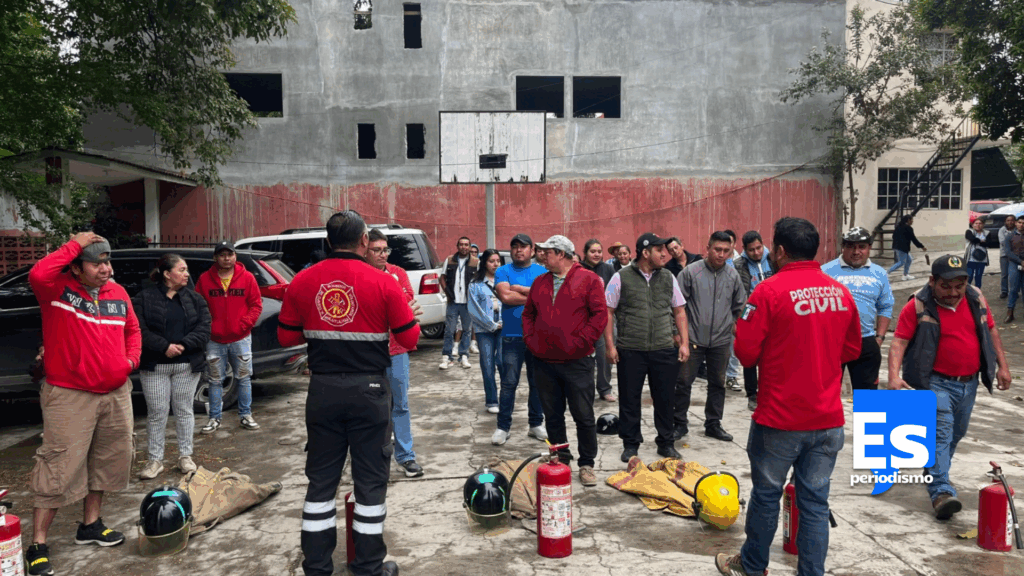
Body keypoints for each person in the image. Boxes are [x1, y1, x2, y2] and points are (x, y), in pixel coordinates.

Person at [715, 217, 861, 576]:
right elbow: (852, 348)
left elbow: (746, 355)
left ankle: (752, 567)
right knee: (814, 503)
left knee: (766, 497)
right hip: (827, 420)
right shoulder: (839, 292)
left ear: (778, 251)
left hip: (779, 420)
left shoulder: (768, 292)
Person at [278, 210, 418, 576]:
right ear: (363, 243)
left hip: (322, 390)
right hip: (370, 391)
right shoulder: (383, 282)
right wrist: (408, 317)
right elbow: (410, 338)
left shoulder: (303, 281)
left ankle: (317, 568)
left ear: (327, 242)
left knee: (321, 482)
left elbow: (286, 338)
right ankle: (369, 567)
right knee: (370, 483)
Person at [25, 232, 141, 576]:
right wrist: (74, 244)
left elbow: (133, 330)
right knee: (58, 466)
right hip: (69, 394)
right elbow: (37, 274)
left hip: (115, 393)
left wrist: (129, 362)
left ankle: (90, 525)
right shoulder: (56, 290)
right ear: (76, 268)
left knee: (106, 460)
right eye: (97, 263)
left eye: (108, 261)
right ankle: (38, 544)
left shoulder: (117, 293)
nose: (106, 269)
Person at [887, 254, 1011, 520]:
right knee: (941, 434)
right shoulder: (918, 305)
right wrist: (893, 376)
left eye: (959, 286)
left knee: (956, 434)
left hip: (969, 383)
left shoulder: (976, 298)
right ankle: (941, 490)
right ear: (932, 281)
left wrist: (1003, 366)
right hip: (934, 382)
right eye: (946, 286)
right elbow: (899, 342)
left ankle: (935, 473)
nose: (953, 293)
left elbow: (991, 331)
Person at [523, 236, 608, 487]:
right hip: (544, 361)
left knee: (583, 414)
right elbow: (529, 314)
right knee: (553, 415)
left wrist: (581, 342)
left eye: (546, 252)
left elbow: (600, 315)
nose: (541, 256)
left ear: (561, 254)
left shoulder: (589, 280)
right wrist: (531, 339)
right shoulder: (540, 281)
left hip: (577, 361)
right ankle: (560, 458)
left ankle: (587, 464)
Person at [604, 233, 689, 463]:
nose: (665, 254)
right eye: (660, 250)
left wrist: (684, 342)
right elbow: (608, 311)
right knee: (630, 399)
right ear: (645, 252)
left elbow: (679, 310)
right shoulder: (621, 277)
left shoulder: (668, 277)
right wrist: (610, 346)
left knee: (665, 399)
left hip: (663, 348)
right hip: (631, 349)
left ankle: (666, 443)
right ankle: (631, 444)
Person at [133, 254, 212, 480]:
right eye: (182, 269)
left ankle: (185, 457)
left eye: (187, 270)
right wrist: (164, 346)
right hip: (155, 366)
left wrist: (184, 345)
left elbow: (205, 328)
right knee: (157, 413)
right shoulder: (144, 298)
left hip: (186, 365)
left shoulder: (195, 299)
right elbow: (139, 329)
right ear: (167, 274)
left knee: (184, 410)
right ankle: (154, 460)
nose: (187, 274)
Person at [675, 231, 746, 443]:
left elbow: (740, 305)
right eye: (717, 250)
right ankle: (679, 423)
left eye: (726, 251)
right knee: (683, 382)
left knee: (718, 383)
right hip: (693, 339)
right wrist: (678, 336)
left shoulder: (733, 276)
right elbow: (676, 305)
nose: (721, 255)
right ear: (708, 248)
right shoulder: (690, 273)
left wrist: (732, 326)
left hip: (721, 341)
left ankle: (713, 424)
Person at [366, 229, 424, 478]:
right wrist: (395, 308)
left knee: (400, 404)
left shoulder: (398, 273)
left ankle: (406, 456)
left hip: (397, 350)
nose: (382, 254)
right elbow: (397, 308)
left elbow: (407, 303)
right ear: (364, 250)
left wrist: (395, 309)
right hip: (368, 353)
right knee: (372, 407)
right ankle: (373, 458)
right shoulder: (361, 275)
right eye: (376, 250)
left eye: (385, 250)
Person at [196, 241, 263, 433]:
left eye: (230, 254)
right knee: (215, 380)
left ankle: (245, 415)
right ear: (215, 258)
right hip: (215, 340)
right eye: (222, 255)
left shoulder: (247, 278)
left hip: (240, 338)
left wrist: (244, 324)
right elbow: (200, 306)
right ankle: (214, 418)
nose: (227, 258)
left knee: (243, 378)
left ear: (235, 256)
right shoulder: (205, 280)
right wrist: (209, 326)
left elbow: (256, 305)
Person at [822, 227, 895, 392]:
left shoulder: (879, 274)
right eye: (850, 246)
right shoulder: (825, 271)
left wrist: (880, 338)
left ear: (869, 248)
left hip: (866, 341)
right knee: (827, 394)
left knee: (868, 401)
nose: (856, 251)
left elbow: (885, 306)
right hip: (833, 343)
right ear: (843, 247)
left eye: (861, 246)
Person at [492, 233, 548, 445]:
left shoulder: (541, 272)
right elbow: (505, 297)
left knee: (537, 384)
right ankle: (503, 427)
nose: (518, 250)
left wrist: (522, 292)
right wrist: (534, 295)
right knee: (508, 384)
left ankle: (535, 424)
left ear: (532, 251)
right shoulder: (502, 270)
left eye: (523, 247)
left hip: (537, 337)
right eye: (514, 246)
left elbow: (546, 300)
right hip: (511, 338)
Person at [734, 231, 775, 411]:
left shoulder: (774, 259)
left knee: (774, 352)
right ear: (744, 250)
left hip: (774, 310)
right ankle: (752, 394)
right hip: (750, 311)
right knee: (750, 353)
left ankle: (771, 391)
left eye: (759, 248)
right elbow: (737, 293)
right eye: (751, 250)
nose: (756, 253)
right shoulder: (738, 265)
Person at [580, 239, 617, 402]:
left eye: (599, 251)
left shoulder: (608, 269)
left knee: (604, 356)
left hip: (603, 320)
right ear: (585, 253)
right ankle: (583, 389)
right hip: (582, 320)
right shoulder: (578, 269)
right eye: (592, 251)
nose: (596, 254)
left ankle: (604, 388)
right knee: (582, 357)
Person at [468, 249, 505, 414]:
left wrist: (503, 323)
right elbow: (473, 309)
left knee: (504, 363)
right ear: (484, 263)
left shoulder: (505, 280)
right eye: (492, 261)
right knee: (488, 364)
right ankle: (491, 401)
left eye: (498, 260)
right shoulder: (475, 284)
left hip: (504, 328)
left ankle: (506, 398)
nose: (495, 264)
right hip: (484, 331)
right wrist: (491, 324)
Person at [439, 237, 477, 370]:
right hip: (453, 301)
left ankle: (464, 356)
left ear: (470, 247)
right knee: (449, 330)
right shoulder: (449, 260)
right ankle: (446, 357)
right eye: (461, 244)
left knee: (467, 330)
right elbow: (442, 277)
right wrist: (447, 292)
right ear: (457, 246)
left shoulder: (475, 262)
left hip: (467, 302)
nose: (464, 247)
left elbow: (478, 281)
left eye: (466, 245)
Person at [887, 215, 927, 280]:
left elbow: (893, 236)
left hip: (897, 246)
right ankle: (887, 273)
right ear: (908, 220)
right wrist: (921, 246)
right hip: (902, 248)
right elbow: (913, 239)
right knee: (901, 262)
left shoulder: (898, 227)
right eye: (912, 220)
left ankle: (905, 275)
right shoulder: (908, 228)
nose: (912, 221)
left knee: (909, 260)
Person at [964, 217, 991, 288]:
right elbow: (972, 239)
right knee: (969, 276)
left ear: (983, 225)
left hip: (982, 258)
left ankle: (977, 293)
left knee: (978, 277)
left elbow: (989, 243)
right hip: (971, 258)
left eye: (980, 223)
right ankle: (966, 292)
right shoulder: (969, 231)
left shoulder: (987, 233)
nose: (978, 225)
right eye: (976, 223)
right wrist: (982, 241)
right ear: (972, 225)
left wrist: (978, 241)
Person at [1006, 215, 1024, 322]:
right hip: (1014, 263)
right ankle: (1010, 313)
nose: (1022, 225)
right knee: (1013, 289)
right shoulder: (1009, 236)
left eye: (1023, 223)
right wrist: (1020, 261)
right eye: (1020, 222)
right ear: (1016, 223)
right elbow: (1008, 252)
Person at [999, 215, 1016, 299]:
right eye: (1008, 220)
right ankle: (1004, 291)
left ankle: (1014, 291)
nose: (1010, 222)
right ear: (1005, 221)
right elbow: (1003, 242)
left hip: (1015, 256)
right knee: (1004, 274)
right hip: (1004, 255)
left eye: (1012, 220)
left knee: (1014, 274)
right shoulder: (1002, 230)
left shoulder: (1017, 230)